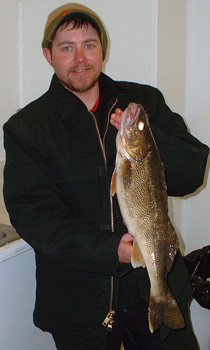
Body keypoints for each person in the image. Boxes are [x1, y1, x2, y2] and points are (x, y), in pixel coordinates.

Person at [3, 3, 209, 350]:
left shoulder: (142, 103)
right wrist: (110, 250)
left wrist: (149, 138)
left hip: (154, 284)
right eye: (66, 47)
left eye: (89, 44)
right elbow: (36, 219)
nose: (80, 57)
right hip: (80, 302)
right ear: (48, 54)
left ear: (102, 49)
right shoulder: (28, 128)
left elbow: (192, 172)